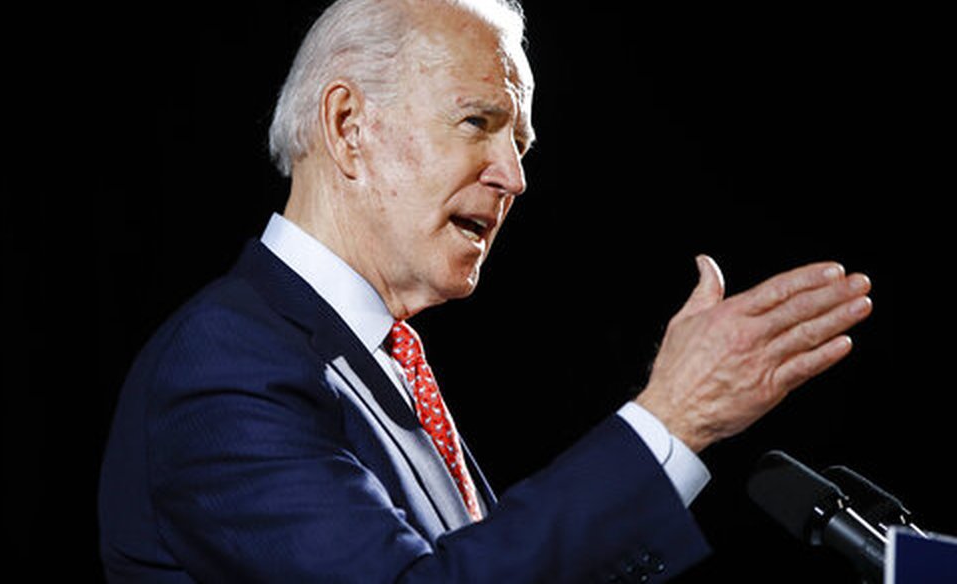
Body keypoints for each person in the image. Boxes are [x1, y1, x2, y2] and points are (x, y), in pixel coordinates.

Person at [97, 0, 873, 581]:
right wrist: (670, 420)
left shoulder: (383, 364)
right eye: (477, 121)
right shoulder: (224, 364)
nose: (516, 175)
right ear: (347, 127)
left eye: (522, 141)